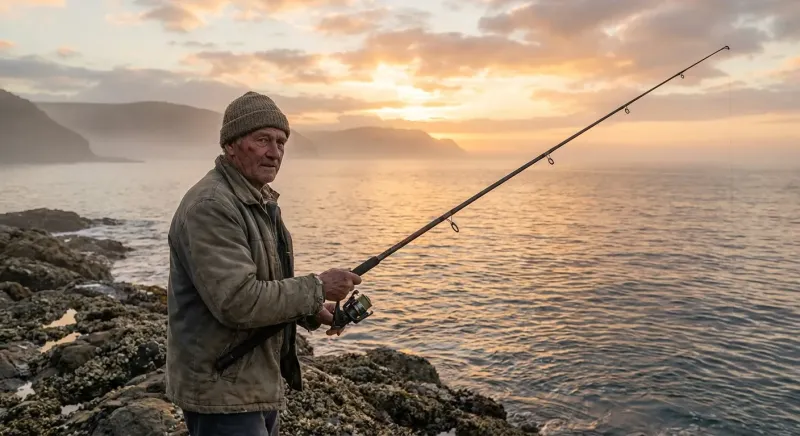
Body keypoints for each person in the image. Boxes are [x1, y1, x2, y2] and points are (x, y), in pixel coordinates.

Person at [165, 91, 362, 436]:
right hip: (221, 390)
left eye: (282, 143)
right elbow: (238, 302)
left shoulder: (255, 201)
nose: (275, 153)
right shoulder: (212, 207)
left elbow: (261, 286)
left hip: (253, 383)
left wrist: (311, 309)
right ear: (231, 145)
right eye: (263, 140)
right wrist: (317, 288)